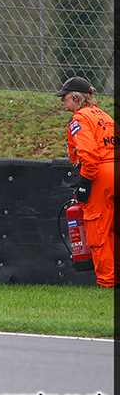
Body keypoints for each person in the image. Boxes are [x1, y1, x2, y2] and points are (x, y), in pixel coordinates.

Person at [54, 76, 118, 287]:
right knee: (114, 230)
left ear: (75, 97)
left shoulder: (80, 118)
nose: (63, 101)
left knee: (98, 229)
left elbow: (89, 155)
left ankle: (108, 282)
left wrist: (84, 183)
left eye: (64, 97)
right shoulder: (107, 117)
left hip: (102, 175)